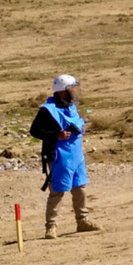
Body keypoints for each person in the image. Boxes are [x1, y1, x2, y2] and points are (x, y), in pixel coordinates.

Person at [29, 74, 100, 239]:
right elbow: (35, 131)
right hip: (58, 156)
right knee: (57, 192)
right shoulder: (47, 111)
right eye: (71, 89)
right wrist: (56, 135)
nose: (74, 92)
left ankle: (82, 221)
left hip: (76, 155)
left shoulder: (71, 106)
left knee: (80, 188)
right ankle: (51, 226)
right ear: (62, 92)